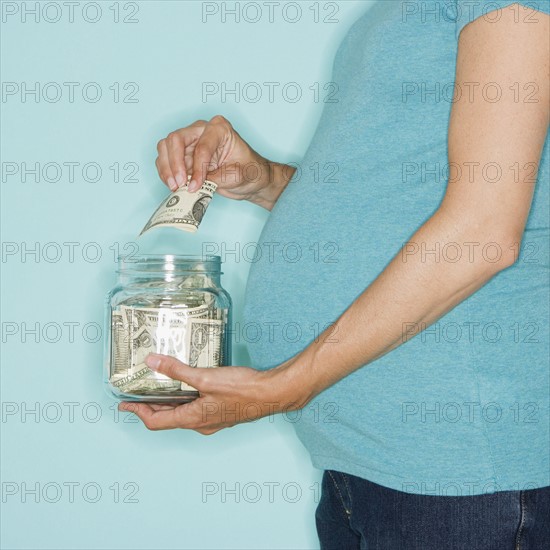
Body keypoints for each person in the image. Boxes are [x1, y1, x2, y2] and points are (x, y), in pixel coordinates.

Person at [120, 1, 550, 547]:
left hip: (458, 466)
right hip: (361, 465)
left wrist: (287, 386)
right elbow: (395, 199)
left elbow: (483, 230)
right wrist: (267, 181)